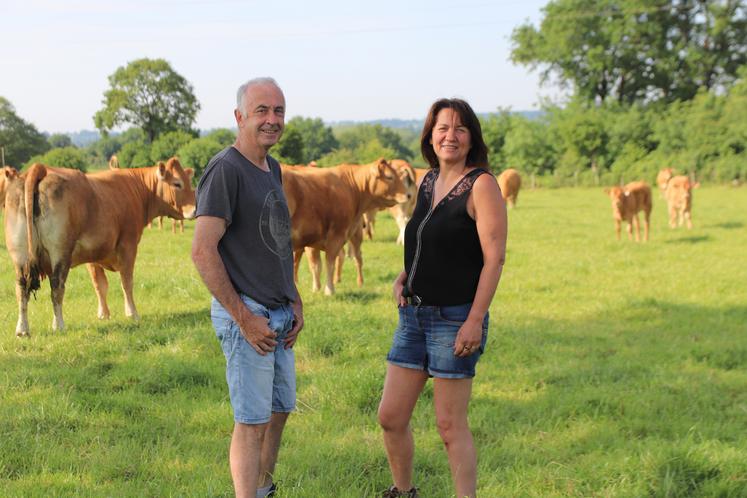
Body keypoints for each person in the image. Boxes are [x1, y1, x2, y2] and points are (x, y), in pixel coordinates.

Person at [378, 98, 507, 498]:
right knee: (391, 417)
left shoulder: (481, 185)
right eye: (442, 128)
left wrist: (474, 319)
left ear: (472, 139)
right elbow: (425, 241)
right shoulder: (428, 180)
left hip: (455, 318)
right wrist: (404, 277)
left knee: (450, 427)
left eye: (460, 128)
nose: (450, 135)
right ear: (430, 137)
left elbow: (494, 257)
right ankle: (404, 491)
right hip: (413, 317)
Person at [191, 77, 304, 498]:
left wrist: (295, 298)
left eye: (278, 111)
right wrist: (244, 318)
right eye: (262, 111)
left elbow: (276, 240)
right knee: (252, 421)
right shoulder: (226, 169)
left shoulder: (271, 167)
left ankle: (263, 489)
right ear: (240, 117)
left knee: (278, 410)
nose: (272, 120)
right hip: (248, 314)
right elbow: (202, 251)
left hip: (279, 311)